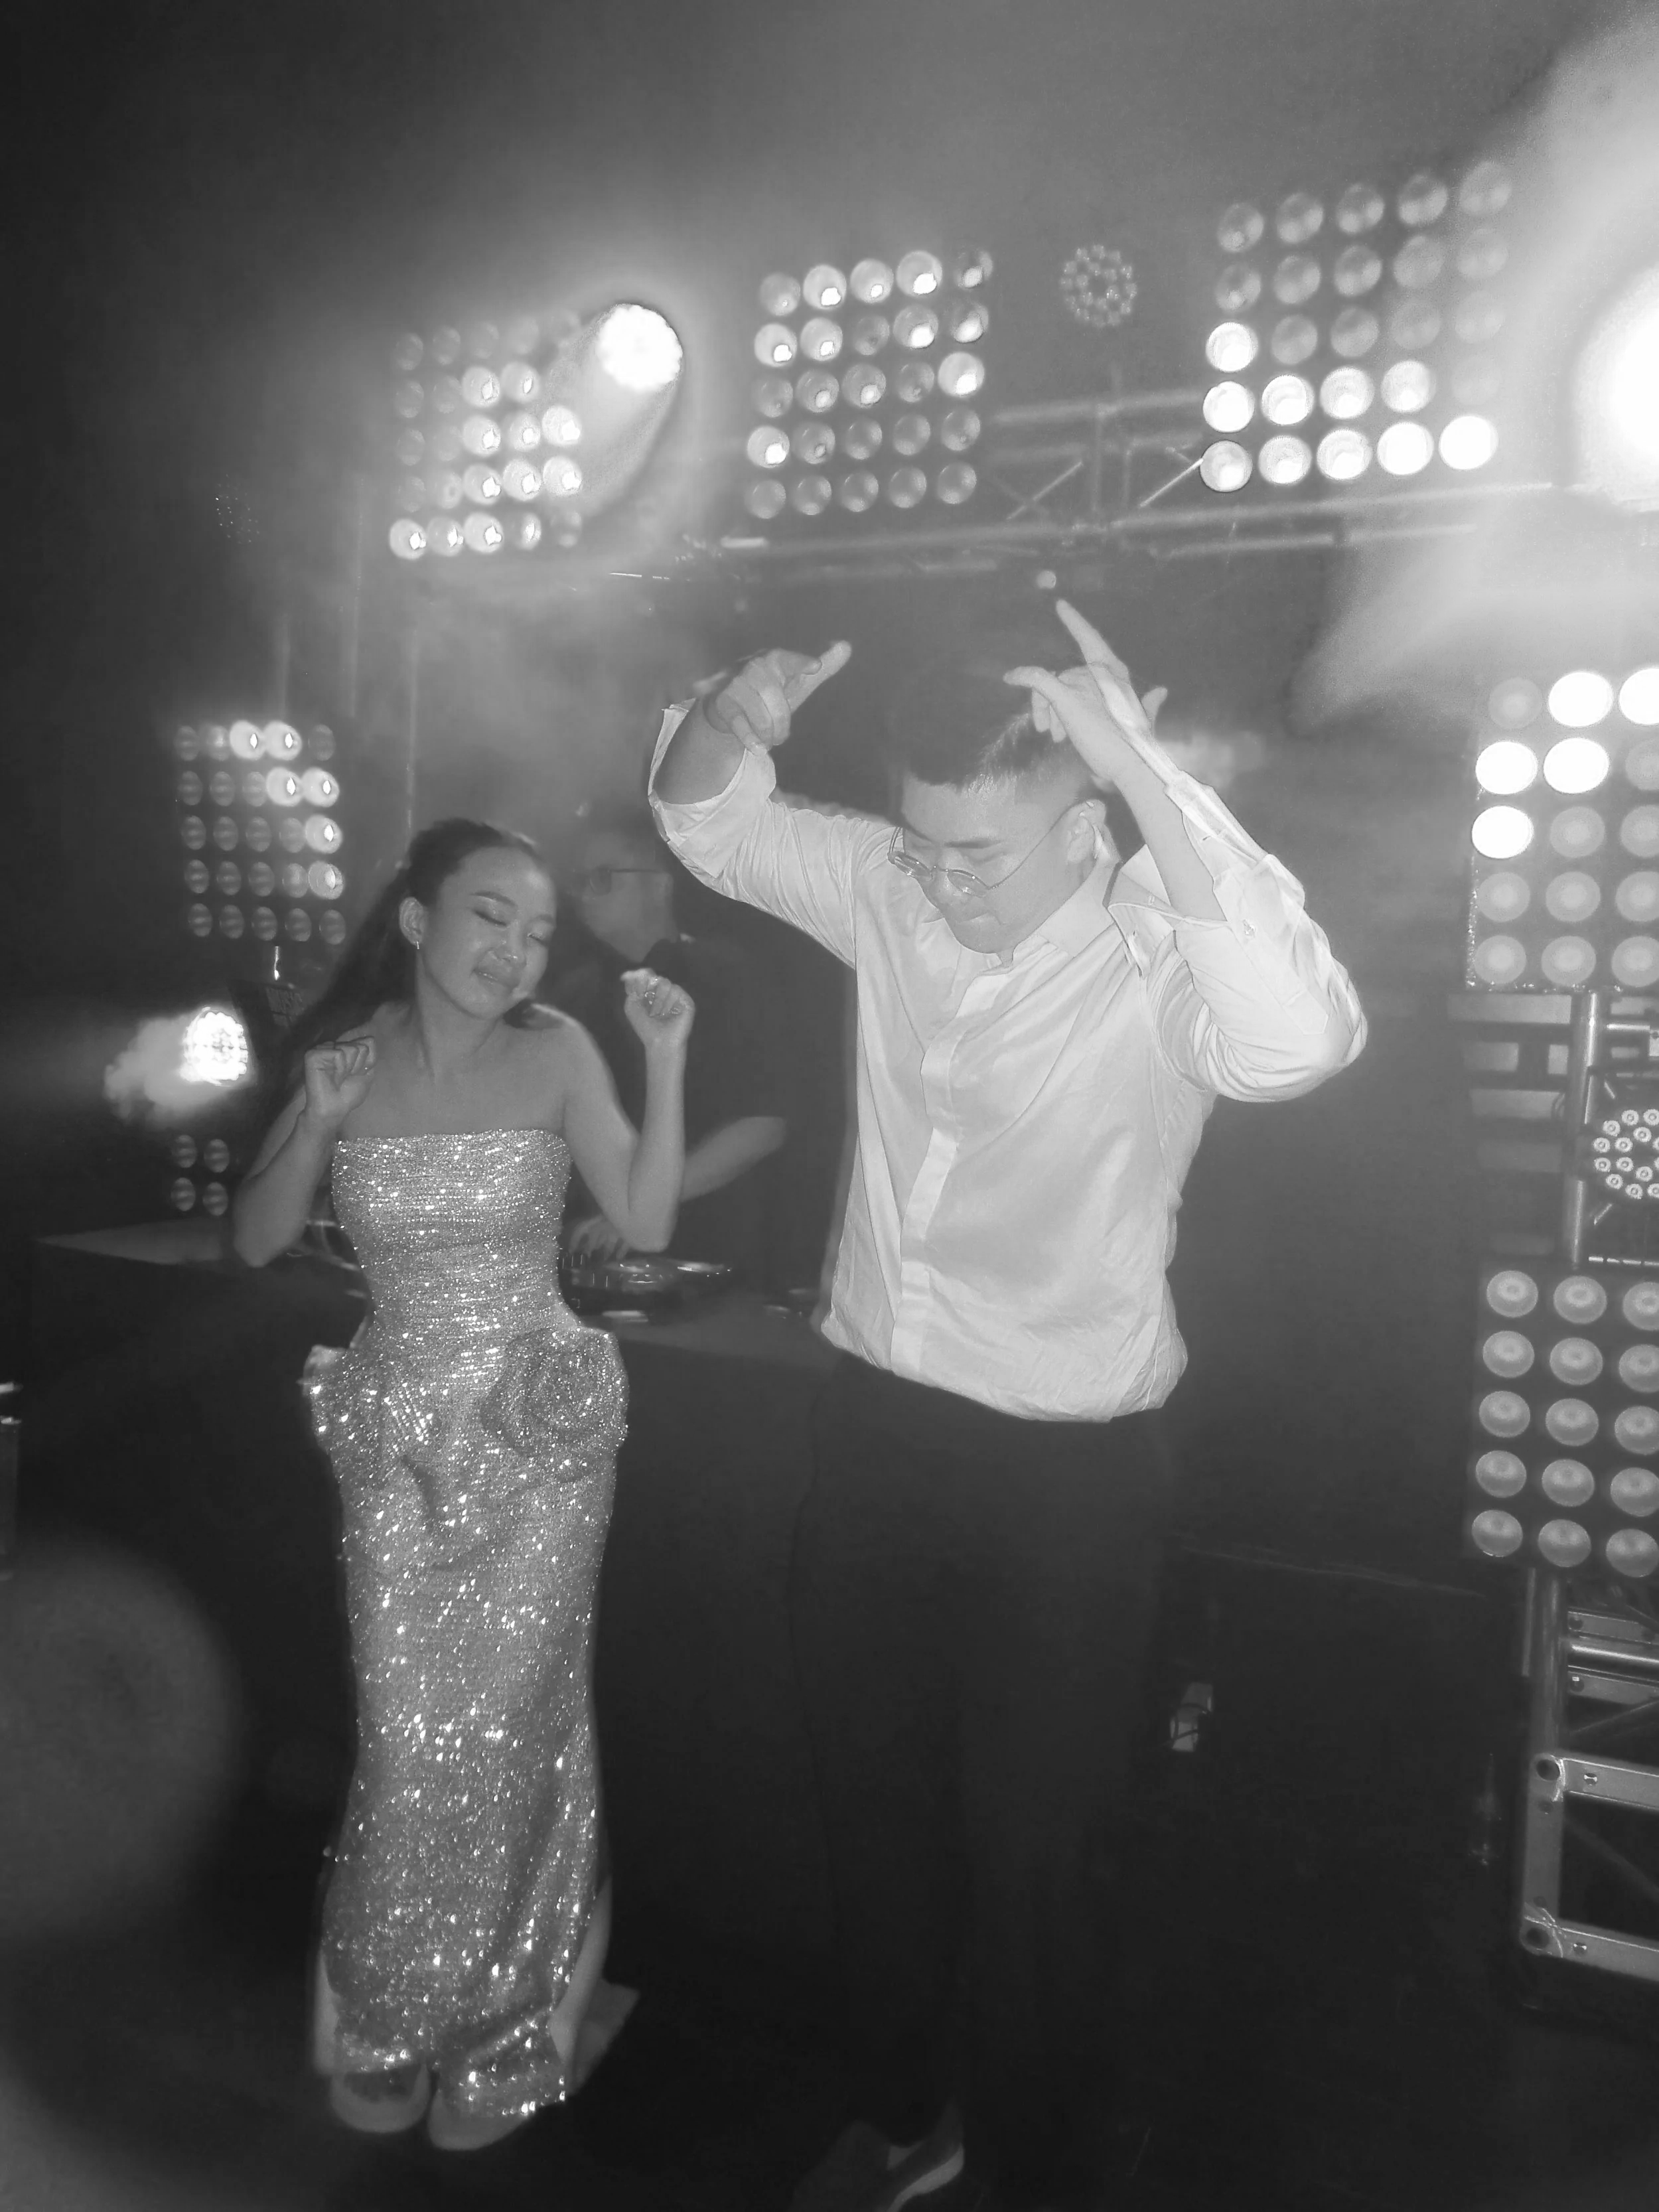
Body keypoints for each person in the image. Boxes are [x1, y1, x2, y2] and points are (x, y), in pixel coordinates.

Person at [650, 603, 1365, 2212]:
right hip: (878, 1443)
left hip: (1070, 1486)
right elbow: (706, 821)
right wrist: (725, 710)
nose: (945, 882)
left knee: (1037, 1855)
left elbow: (1301, 1039)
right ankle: (901, 2109)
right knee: (875, 1810)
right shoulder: (897, 891)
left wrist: (1135, 754)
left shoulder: (1155, 949)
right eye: (927, 848)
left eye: (984, 853)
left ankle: (1031, 2164)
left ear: (1089, 827)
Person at [231, 818, 693, 2152]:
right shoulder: (352, 1062)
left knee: (509, 1722)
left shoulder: (557, 1049)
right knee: (407, 1727)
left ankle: (503, 2016)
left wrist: (664, 1062)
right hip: (398, 1436)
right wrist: (312, 1115)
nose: (517, 950)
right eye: (491, 916)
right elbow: (257, 1237)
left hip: (535, 1433)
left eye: (538, 930)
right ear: (420, 918)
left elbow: (649, 1219)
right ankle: (386, 2006)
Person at [552, 804, 788, 1286]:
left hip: (707, 1260)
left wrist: (637, 1206)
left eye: (602, 877)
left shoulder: (726, 974)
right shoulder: (574, 994)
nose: (583, 895)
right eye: (578, 880)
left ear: (659, 883)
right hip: (595, 1260)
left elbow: (764, 1122)